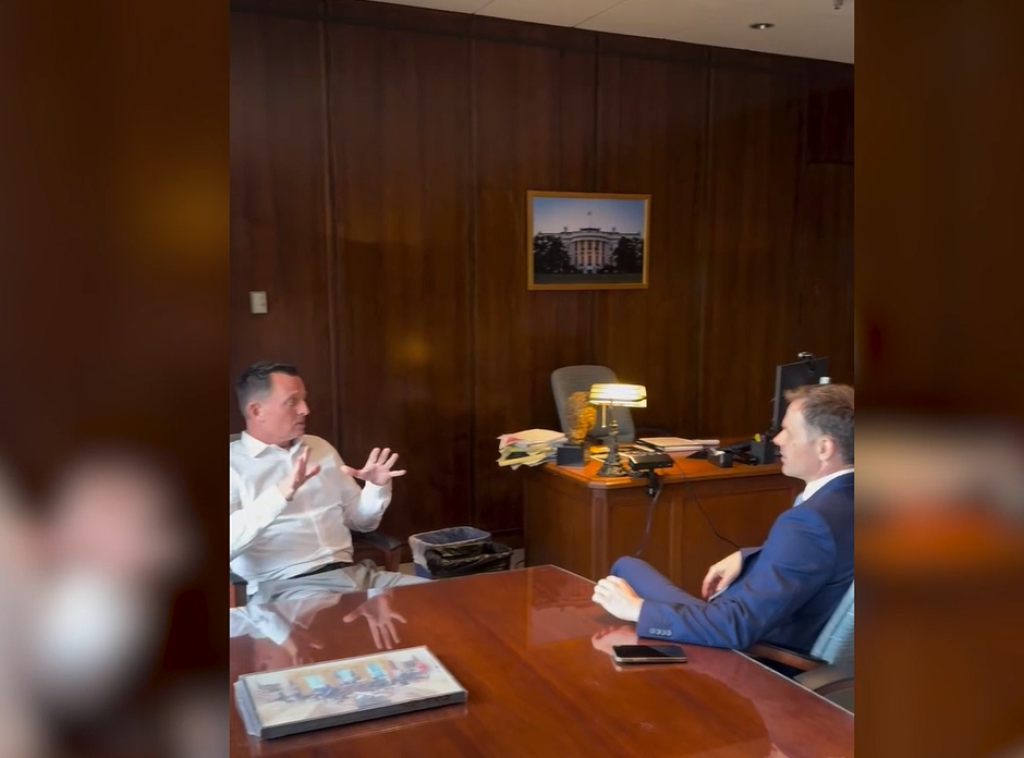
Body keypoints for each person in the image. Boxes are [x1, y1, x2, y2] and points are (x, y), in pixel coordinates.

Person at [592, 383, 853, 652]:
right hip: (749, 618)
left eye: (788, 431)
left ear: (824, 448)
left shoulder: (807, 524)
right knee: (627, 568)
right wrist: (746, 556)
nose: (777, 440)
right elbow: (820, 554)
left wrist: (637, 610)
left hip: (749, 650)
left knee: (624, 572)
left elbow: (734, 627)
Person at [230, 361, 427, 604]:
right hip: (289, 588)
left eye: (304, 399)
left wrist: (375, 488)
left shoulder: (320, 447)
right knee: (339, 627)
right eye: (292, 401)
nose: (305, 409)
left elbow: (361, 523)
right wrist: (279, 495)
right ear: (256, 410)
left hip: (357, 576)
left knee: (449, 598)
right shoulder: (231, 465)